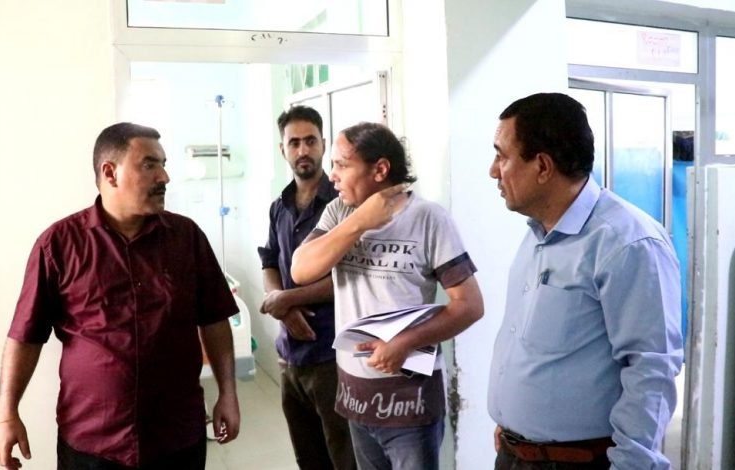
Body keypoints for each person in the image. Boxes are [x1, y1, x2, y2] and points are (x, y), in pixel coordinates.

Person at [0, 122, 241, 470]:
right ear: (110, 173)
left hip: (177, 437)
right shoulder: (59, 245)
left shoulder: (186, 238)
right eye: (149, 165)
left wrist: (228, 393)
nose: (164, 177)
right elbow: (25, 336)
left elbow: (214, 319)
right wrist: (7, 413)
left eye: (163, 164)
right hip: (92, 443)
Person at [487, 92, 683, 469]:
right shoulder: (538, 233)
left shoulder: (627, 242)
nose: (494, 171)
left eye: (502, 156)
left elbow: (651, 369)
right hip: (517, 454)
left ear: (543, 166)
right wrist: (514, 423)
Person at [291, 122, 484, 470]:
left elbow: (469, 305)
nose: (332, 175)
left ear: (379, 169)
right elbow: (301, 270)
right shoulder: (339, 212)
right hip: (356, 397)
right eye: (333, 164)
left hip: (409, 403)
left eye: (342, 165)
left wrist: (405, 342)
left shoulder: (428, 218)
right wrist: (359, 222)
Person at [257, 105, 355, 470]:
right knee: (308, 457)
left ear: (324, 145)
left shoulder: (344, 206)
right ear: (282, 149)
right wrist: (281, 306)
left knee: (344, 456)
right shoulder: (278, 207)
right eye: (294, 142)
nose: (303, 150)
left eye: (310, 141)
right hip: (290, 356)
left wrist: (286, 299)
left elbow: (349, 277)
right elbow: (270, 261)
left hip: (333, 355)